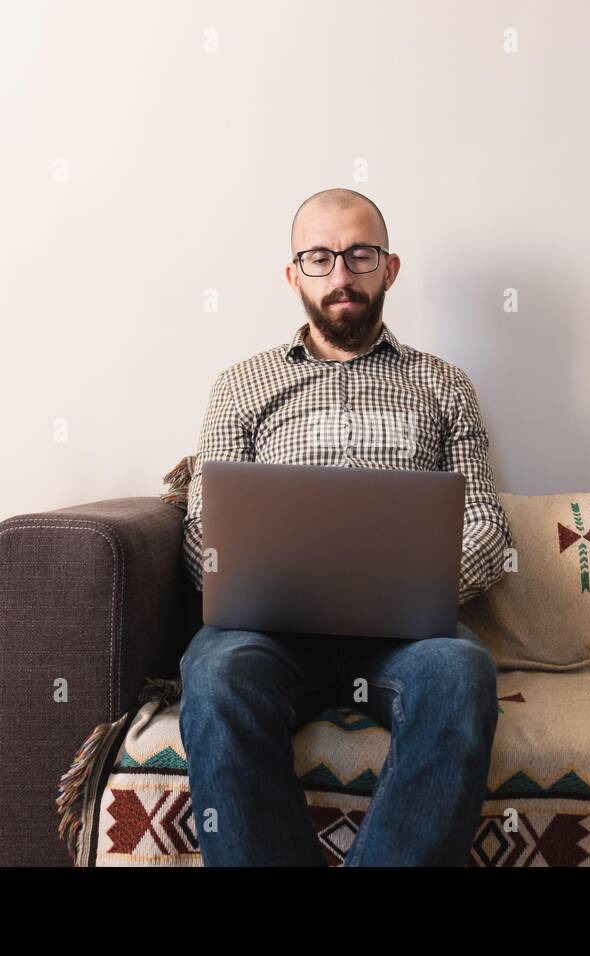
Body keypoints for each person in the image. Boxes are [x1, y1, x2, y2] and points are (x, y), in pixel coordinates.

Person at [177, 187, 512, 866]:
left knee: (461, 673)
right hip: (265, 632)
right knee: (217, 678)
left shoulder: (442, 384)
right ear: (293, 273)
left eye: (359, 255)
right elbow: (203, 523)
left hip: (408, 637)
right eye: (320, 257)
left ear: (388, 268)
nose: (341, 276)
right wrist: (246, 577)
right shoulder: (241, 384)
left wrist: (411, 585)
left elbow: (486, 527)